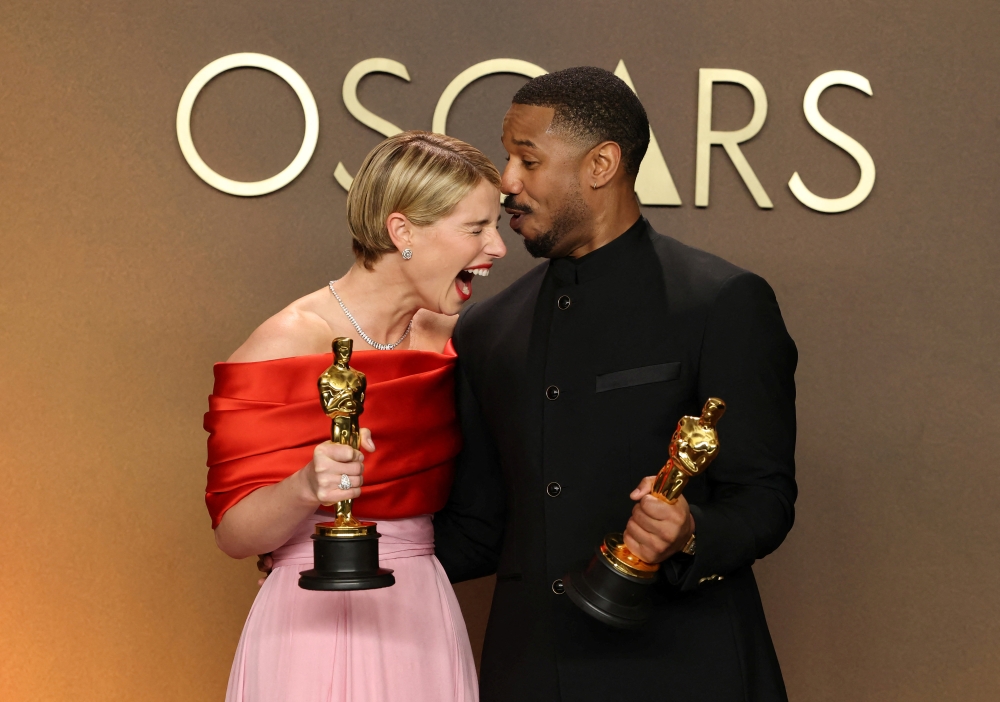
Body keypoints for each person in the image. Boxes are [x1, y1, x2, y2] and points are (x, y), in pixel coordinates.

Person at [432, 67, 798, 701]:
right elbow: (479, 527)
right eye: (507, 158)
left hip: (684, 669)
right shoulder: (486, 329)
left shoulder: (722, 303)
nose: (507, 183)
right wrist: (338, 547)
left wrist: (689, 533)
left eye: (527, 159)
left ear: (600, 164)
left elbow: (763, 499)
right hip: (531, 672)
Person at [204, 131, 506, 702]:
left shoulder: (463, 343)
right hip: (307, 621)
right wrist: (303, 488)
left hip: (419, 615)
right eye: (476, 228)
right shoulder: (287, 341)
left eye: (495, 225)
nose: (496, 247)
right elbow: (235, 533)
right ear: (403, 232)